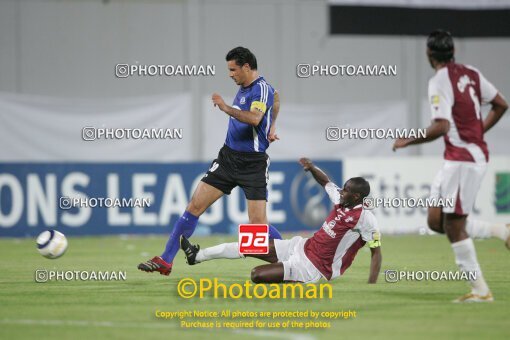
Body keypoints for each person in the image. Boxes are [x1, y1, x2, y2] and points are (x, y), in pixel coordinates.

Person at [138, 47, 282, 276]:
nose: (230, 74)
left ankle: (291, 257)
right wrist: (272, 125)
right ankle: (166, 260)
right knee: (194, 206)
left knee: (257, 228)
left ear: (246, 66)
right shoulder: (247, 88)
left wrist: (227, 108)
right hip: (227, 159)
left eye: (233, 69)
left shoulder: (261, 88)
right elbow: (276, 99)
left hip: (253, 164)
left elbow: (256, 117)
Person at [393, 29, 508, 302]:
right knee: (436, 221)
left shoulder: (439, 81)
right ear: (452, 51)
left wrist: (409, 140)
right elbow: (501, 104)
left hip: (463, 160)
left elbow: (441, 126)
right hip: (458, 158)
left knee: (455, 226)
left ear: (429, 54)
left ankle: (480, 292)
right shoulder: (472, 73)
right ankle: (502, 231)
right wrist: (478, 131)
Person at [180, 158, 382, 284]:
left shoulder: (365, 219)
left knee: (256, 275)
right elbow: (326, 182)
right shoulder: (341, 199)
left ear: (356, 197)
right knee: (248, 245)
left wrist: (371, 284)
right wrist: (311, 167)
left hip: (314, 267)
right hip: (302, 246)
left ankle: (293, 277)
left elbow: (376, 251)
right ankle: (196, 256)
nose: (341, 191)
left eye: (346, 190)